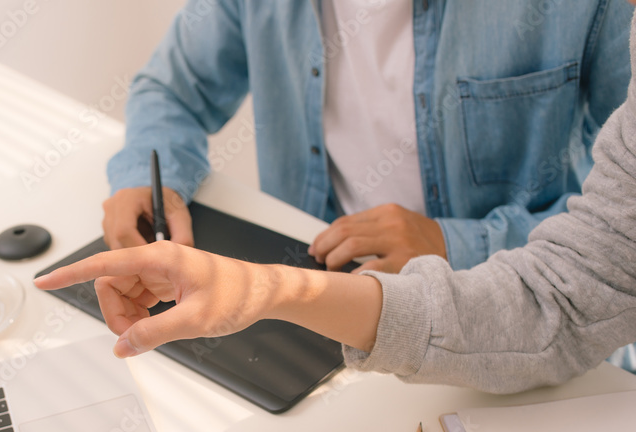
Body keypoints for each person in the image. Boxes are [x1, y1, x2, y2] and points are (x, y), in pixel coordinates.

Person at [34, 14, 636, 396]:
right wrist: (147, 172)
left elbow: (599, 254)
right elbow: (171, 88)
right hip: (321, 298)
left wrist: (456, 242)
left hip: (499, 324)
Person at [102, 0, 633, 278]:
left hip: (505, 306)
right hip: (320, 286)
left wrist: (455, 245)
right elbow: (171, 90)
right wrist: (156, 180)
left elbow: (622, 225)